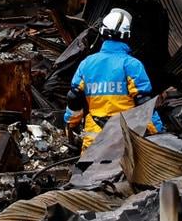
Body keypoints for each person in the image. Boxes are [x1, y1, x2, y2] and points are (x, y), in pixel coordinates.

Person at [64, 8, 158, 148]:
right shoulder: (132, 65)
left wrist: (70, 126)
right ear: (127, 36)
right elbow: (144, 104)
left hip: (94, 139)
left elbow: (74, 99)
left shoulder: (87, 63)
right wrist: (157, 132)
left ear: (102, 33)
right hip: (125, 138)